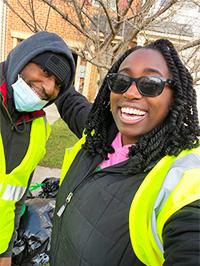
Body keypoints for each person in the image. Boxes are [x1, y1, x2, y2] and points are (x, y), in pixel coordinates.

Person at [50, 39, 200, 266]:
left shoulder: (182, 179)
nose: (130, 93)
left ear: (174, 97)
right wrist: (49, 68)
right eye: (121, 81)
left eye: (150, 83)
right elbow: (73, 104)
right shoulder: (99, 134)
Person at [0, 31, 75, 266]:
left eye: (58, 84)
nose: (48, 87)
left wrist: (6, 254)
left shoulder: (39, 127)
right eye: (45, 72)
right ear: (24, 58)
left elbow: (16, 199)